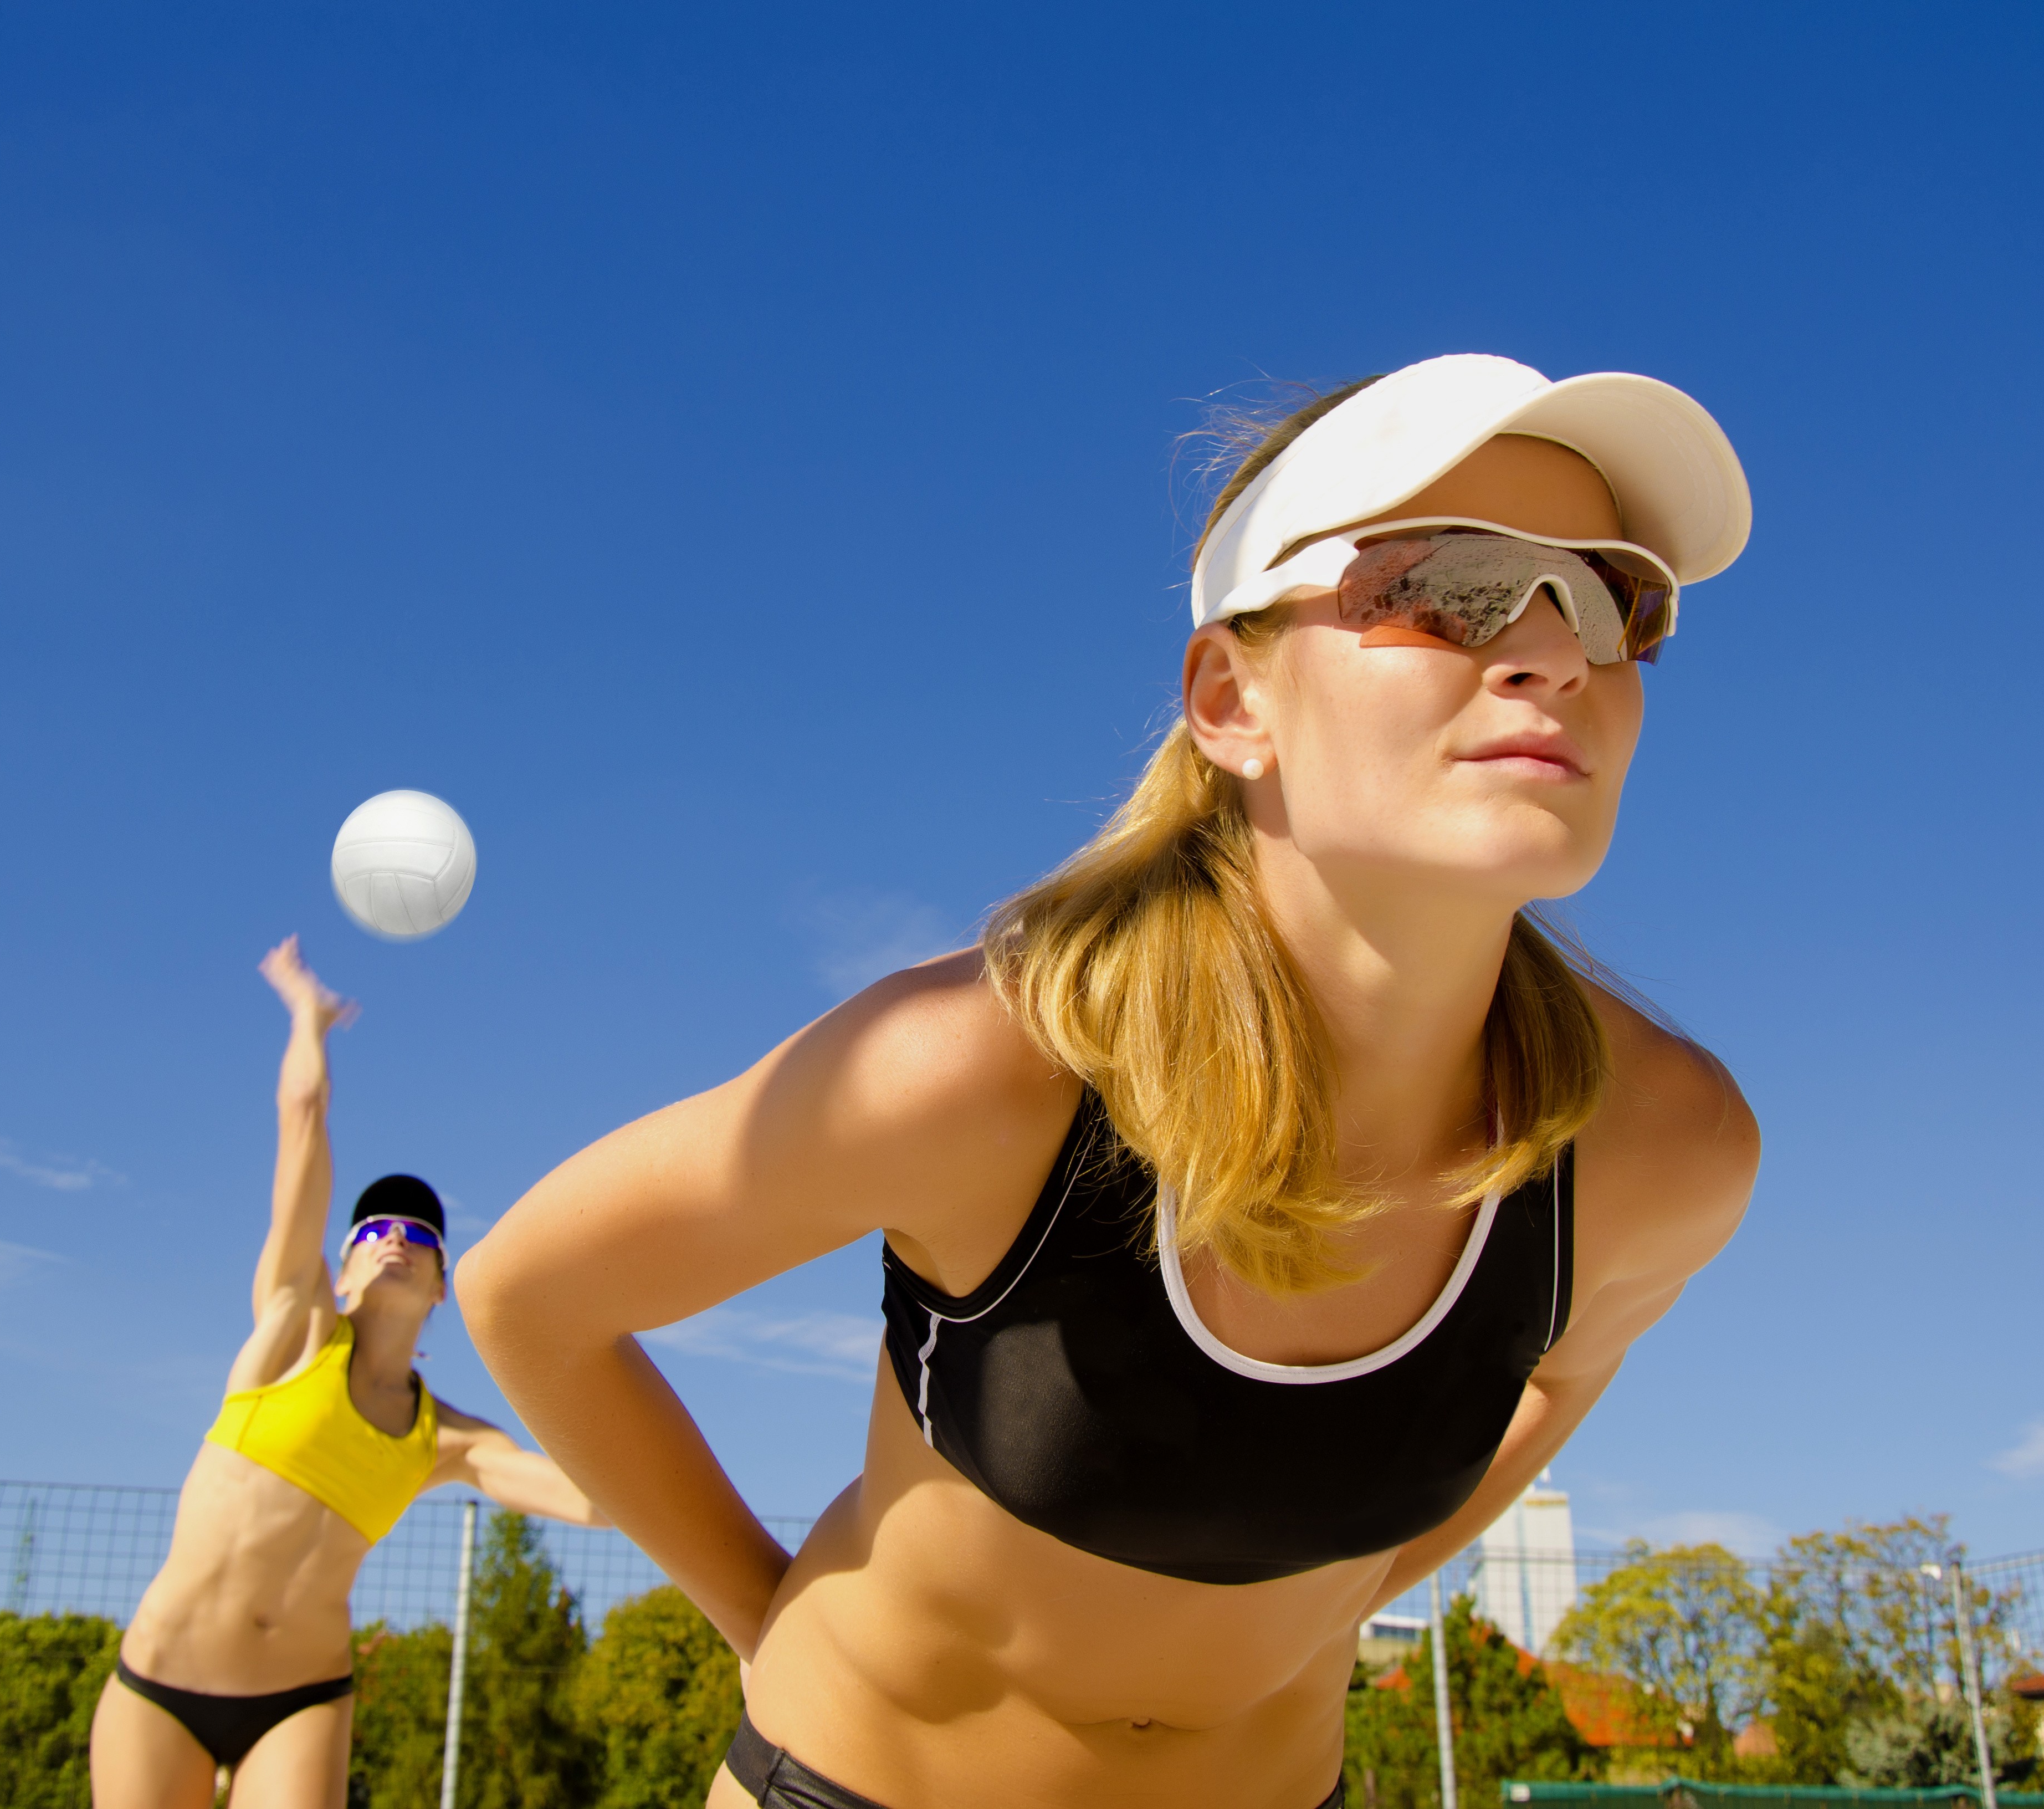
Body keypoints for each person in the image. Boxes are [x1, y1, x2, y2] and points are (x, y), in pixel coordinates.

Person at [459, 353, 1764, 1809]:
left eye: (1611, 599)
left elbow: (1561, 1381)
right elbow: (531, 1297)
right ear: (1231, 698)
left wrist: (1338, 1591)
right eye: (1446, 585)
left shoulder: (1661, 1151)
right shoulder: (977, 1070)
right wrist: (761, 1617)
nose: (1553, 653)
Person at [93, 937, 602, 1809]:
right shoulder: (292, 1330)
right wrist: (307, 1017)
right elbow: (302, 1126)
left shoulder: (449, 1441)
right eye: (373, 1232)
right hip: (160, 1688)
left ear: (443, 1288)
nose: (396, 1237)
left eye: (419, 1235)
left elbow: (597, 1498)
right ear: (342, 1269)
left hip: (300, 1702)